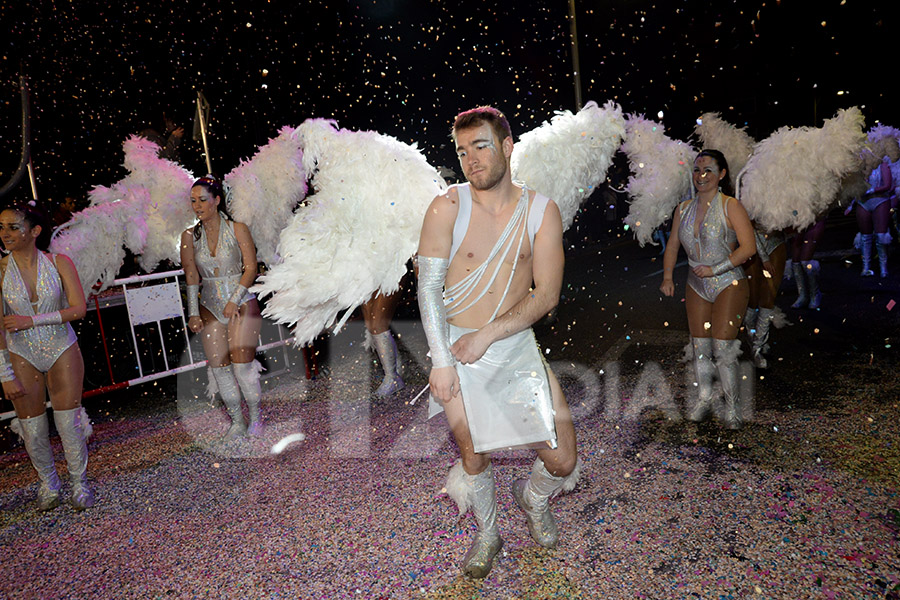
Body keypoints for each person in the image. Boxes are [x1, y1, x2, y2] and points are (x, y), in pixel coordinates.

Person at [417, 107, 579, 579]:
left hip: (511, 346)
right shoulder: (446, 206)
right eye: (462, 151)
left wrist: (487, 335)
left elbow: (546, 295)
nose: (471, 159)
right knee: (472, 449)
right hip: (455, 350)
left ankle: (532, 499)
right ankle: (488, 533)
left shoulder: (541, 211)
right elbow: (428, 289)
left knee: (562, 458)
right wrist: (443, 360)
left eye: (481, 147)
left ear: (508, 147)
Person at [0, 203, 93, 510]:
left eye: (14, 227)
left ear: (35, 231)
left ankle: (80, 483)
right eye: (2, 227)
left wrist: (32, 320)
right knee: (33, 427)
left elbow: (79, 309)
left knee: (69, 423)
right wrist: (4, 373)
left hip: (61, 347)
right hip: (20, 353)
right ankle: (48, 484)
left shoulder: (59, 262)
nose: (6, 233)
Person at [660, 149, 756, 429]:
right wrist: (668, 276)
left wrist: (716, 269)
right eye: (697, 170)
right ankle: (704, 399)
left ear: (722, 174)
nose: (701, 176)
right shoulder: (683, 209)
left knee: (723, 348)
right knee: (700, 347)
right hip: (696, 285)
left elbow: (748, 249)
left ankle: (734, 407)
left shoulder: (731, 206)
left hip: (729, 282)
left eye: (708, 171)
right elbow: (673, 246)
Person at [180, 176, 263, 440]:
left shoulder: (238, 228)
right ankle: (237, 422)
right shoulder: (189, 236)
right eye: (193, 201)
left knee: (242, 367)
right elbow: (191, 275)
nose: (197, 206)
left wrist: (234, 299)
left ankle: (256, 418)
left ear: (216, 200)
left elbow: (251, 269)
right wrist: (192, 312)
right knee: (219, 367)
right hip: (209, 305)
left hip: (241, 302)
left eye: (202, 200)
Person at [744, 227, 787, 369]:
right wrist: (764, 258)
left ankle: (757, 347)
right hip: (751, 240)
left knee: (768, 299)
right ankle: (752, 337)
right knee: (753, 299)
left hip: (776, 242)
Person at [855, 143, 897, 278]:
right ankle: (866, 267)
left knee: (881, 236)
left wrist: (871, 190)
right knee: (865, 236)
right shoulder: (860, 168)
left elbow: (887, 185)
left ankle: (883, 268)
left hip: (880, 201)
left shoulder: (882, 165)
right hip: (863, 203)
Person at [362, 290, 404, 397]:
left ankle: (393, 377)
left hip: (389, 275)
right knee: (370, 321)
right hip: (364, 275)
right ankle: (397, 367)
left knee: (377, 324)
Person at [788, 218, 825, 309]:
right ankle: (802, 295)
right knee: (795, 260)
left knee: (805, 261)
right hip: (795, 217)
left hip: (815, 217)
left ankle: (815, 294)